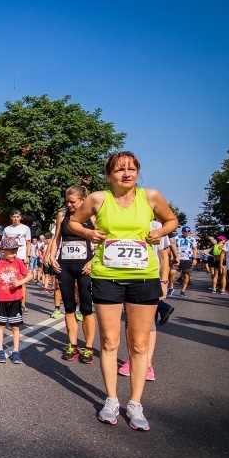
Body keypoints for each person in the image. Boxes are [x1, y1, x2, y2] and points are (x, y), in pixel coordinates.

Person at [68, 151, 178, 431]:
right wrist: (89, 234)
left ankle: (136, 404)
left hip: (143, 278)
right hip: (107, 277)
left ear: (137, 172)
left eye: (131, 169)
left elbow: (171, 220)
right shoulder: (97, 199)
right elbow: (73, 222)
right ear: (109, 175)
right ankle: (111, 399)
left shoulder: (150, 196)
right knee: (109, 342)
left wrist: (160, 233)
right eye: (119, 170)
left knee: (139, 344)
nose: (126, 174)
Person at [45, 185, 97, 364]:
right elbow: (57, 237)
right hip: (65, 266)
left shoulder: (92, 215)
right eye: (67, 201)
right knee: (68, 307)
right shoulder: (62, 215)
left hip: (85, 267)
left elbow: (104, 239)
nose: (69, 205)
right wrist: (52, 256)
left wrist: (93, 261)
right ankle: (72, 345)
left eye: (72, 202)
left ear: (82, 200)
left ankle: (88, 347)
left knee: (86, 308)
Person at [119, 219, 174, 381]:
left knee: (148, 323)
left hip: (149, 278)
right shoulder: (123, 221)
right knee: (130, 322)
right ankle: (132, 360)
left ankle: (147, 364)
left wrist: (164, 282)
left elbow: (164, 257)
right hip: (125, 277)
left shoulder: (157, 226)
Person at [2, 210, 32, 314]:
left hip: (21, 257)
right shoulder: (7, 229)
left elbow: (28, 243)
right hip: (9, 258)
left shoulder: (25, 229)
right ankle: (11, 302)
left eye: (17, 216)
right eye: (14, 216)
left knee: (22, 282)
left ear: (21, 217)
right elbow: (3, 244)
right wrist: (3, 257)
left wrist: (28, 256)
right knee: (9, 280)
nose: (15, 218)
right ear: (11, 217)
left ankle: (23, 304)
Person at [172, 226, 198, 297]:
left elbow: (195, 249)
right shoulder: (177, 238)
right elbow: (172, 247)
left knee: (186, 276)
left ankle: (182, 291)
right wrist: (173, 256)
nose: (187, 233)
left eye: (188, 231)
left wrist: (194, 258)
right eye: (185, 231)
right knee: (172, 272)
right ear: (182, 232)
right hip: (178, 258)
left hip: (188, 259)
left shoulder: (192, 239)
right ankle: (171, 287)